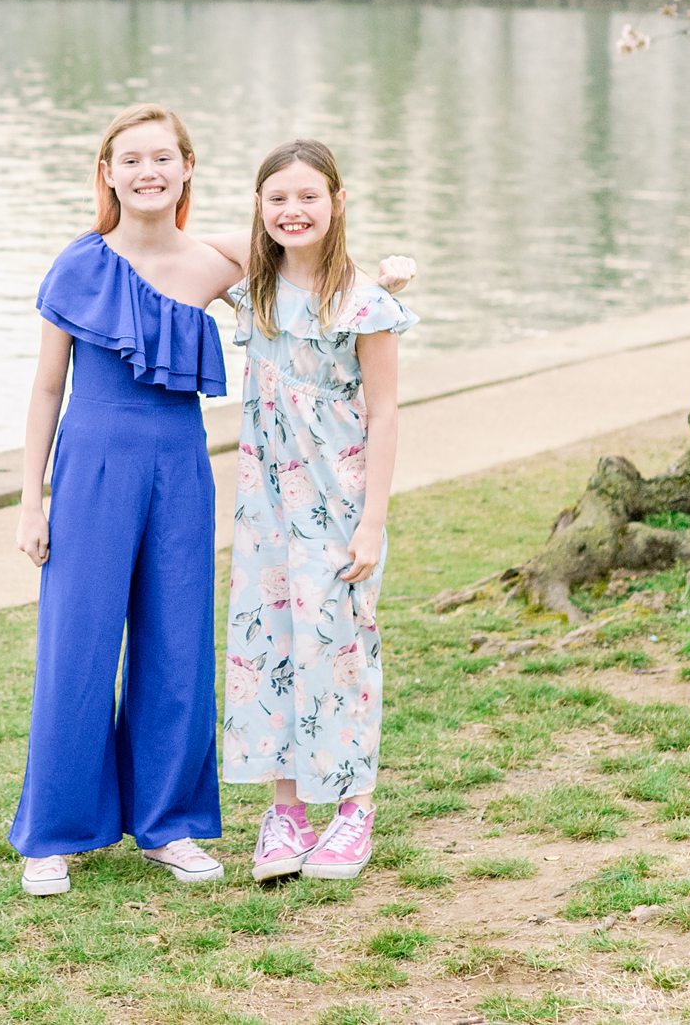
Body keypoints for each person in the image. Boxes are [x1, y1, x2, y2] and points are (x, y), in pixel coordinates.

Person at [9, 105, 237, 896]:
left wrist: (382, 275)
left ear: (185, 168)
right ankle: (54, 833)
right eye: (130, 158)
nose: (147, 170)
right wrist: (30, 501)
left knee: (178, 646)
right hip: (93, 467)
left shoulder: (214, 264)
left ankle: (169, 825)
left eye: (162, 157)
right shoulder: (78, 266)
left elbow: (307, 259)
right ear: (107, 173)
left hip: (181, 469)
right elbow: (45, 391)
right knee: (77, 647)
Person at [221, 138, 415, 884]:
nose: (292, 210)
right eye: (277, 198)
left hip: (338, 499)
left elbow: (388, 413)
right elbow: (173, 246)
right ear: (260, 209)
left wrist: (373, 519)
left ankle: (351, 808)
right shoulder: (255, 292)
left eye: (308, 196)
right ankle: (286, 811)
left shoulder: (364, 302)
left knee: (339, 644)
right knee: (268, 643)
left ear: (338, 202)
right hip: (266, 506)